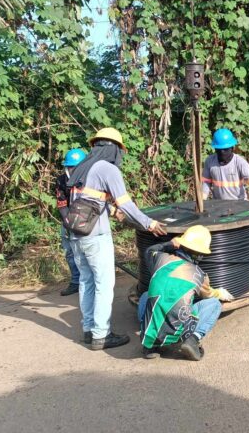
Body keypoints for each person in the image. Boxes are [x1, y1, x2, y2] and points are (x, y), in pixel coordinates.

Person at [66, 127, 168, 350]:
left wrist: (111, 211)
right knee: (104, 283)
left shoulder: (82, 167)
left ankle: (89, 329)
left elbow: (88, 200)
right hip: (95, 237)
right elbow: (127, 203)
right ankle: (101, 335)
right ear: (113, 149)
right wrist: (148, 223)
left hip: (76, 236)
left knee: (86, 281)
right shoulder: (106, 169)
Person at [139, 225, 234, 361]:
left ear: (181, 244)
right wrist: (219, 293)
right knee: (214, 304)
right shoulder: (200, 275)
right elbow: (207, 295)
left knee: (145, 296)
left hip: (152, 332)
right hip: (179, 332)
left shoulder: (160, 261)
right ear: (200, 253)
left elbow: (149, 250)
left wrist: (170, 243)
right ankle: (192, 340)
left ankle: (151, 345)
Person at [201, 128, 249, 206]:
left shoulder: (240, 163)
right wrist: (202, 199)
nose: (222, 152)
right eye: (219, 149)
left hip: (239, 205)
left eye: (225, 149)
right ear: (215, 149)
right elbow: (206, 182)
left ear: (232, 148)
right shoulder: (210, 161)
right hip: (219, 205)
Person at [55, 148, 87, 296]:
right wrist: (69, 224)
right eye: (70, 166)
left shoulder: (91, 179)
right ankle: (75, 282)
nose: (72, 169)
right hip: (68, 219)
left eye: (75, 167)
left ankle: (88, 283)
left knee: (88, 252)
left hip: (89, 220)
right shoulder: (61, 181)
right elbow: (62, 204)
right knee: (70, 252)